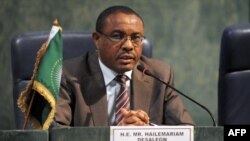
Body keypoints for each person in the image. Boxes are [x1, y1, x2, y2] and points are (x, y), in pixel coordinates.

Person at [54, 5, 194, 127]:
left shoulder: (160, 75)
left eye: (136, 38)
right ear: (97, 40)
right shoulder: (68, 75)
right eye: (117, 36)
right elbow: (55, 133)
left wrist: (146, 132)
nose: (128, 46)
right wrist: (118, 135)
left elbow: (186, 131)